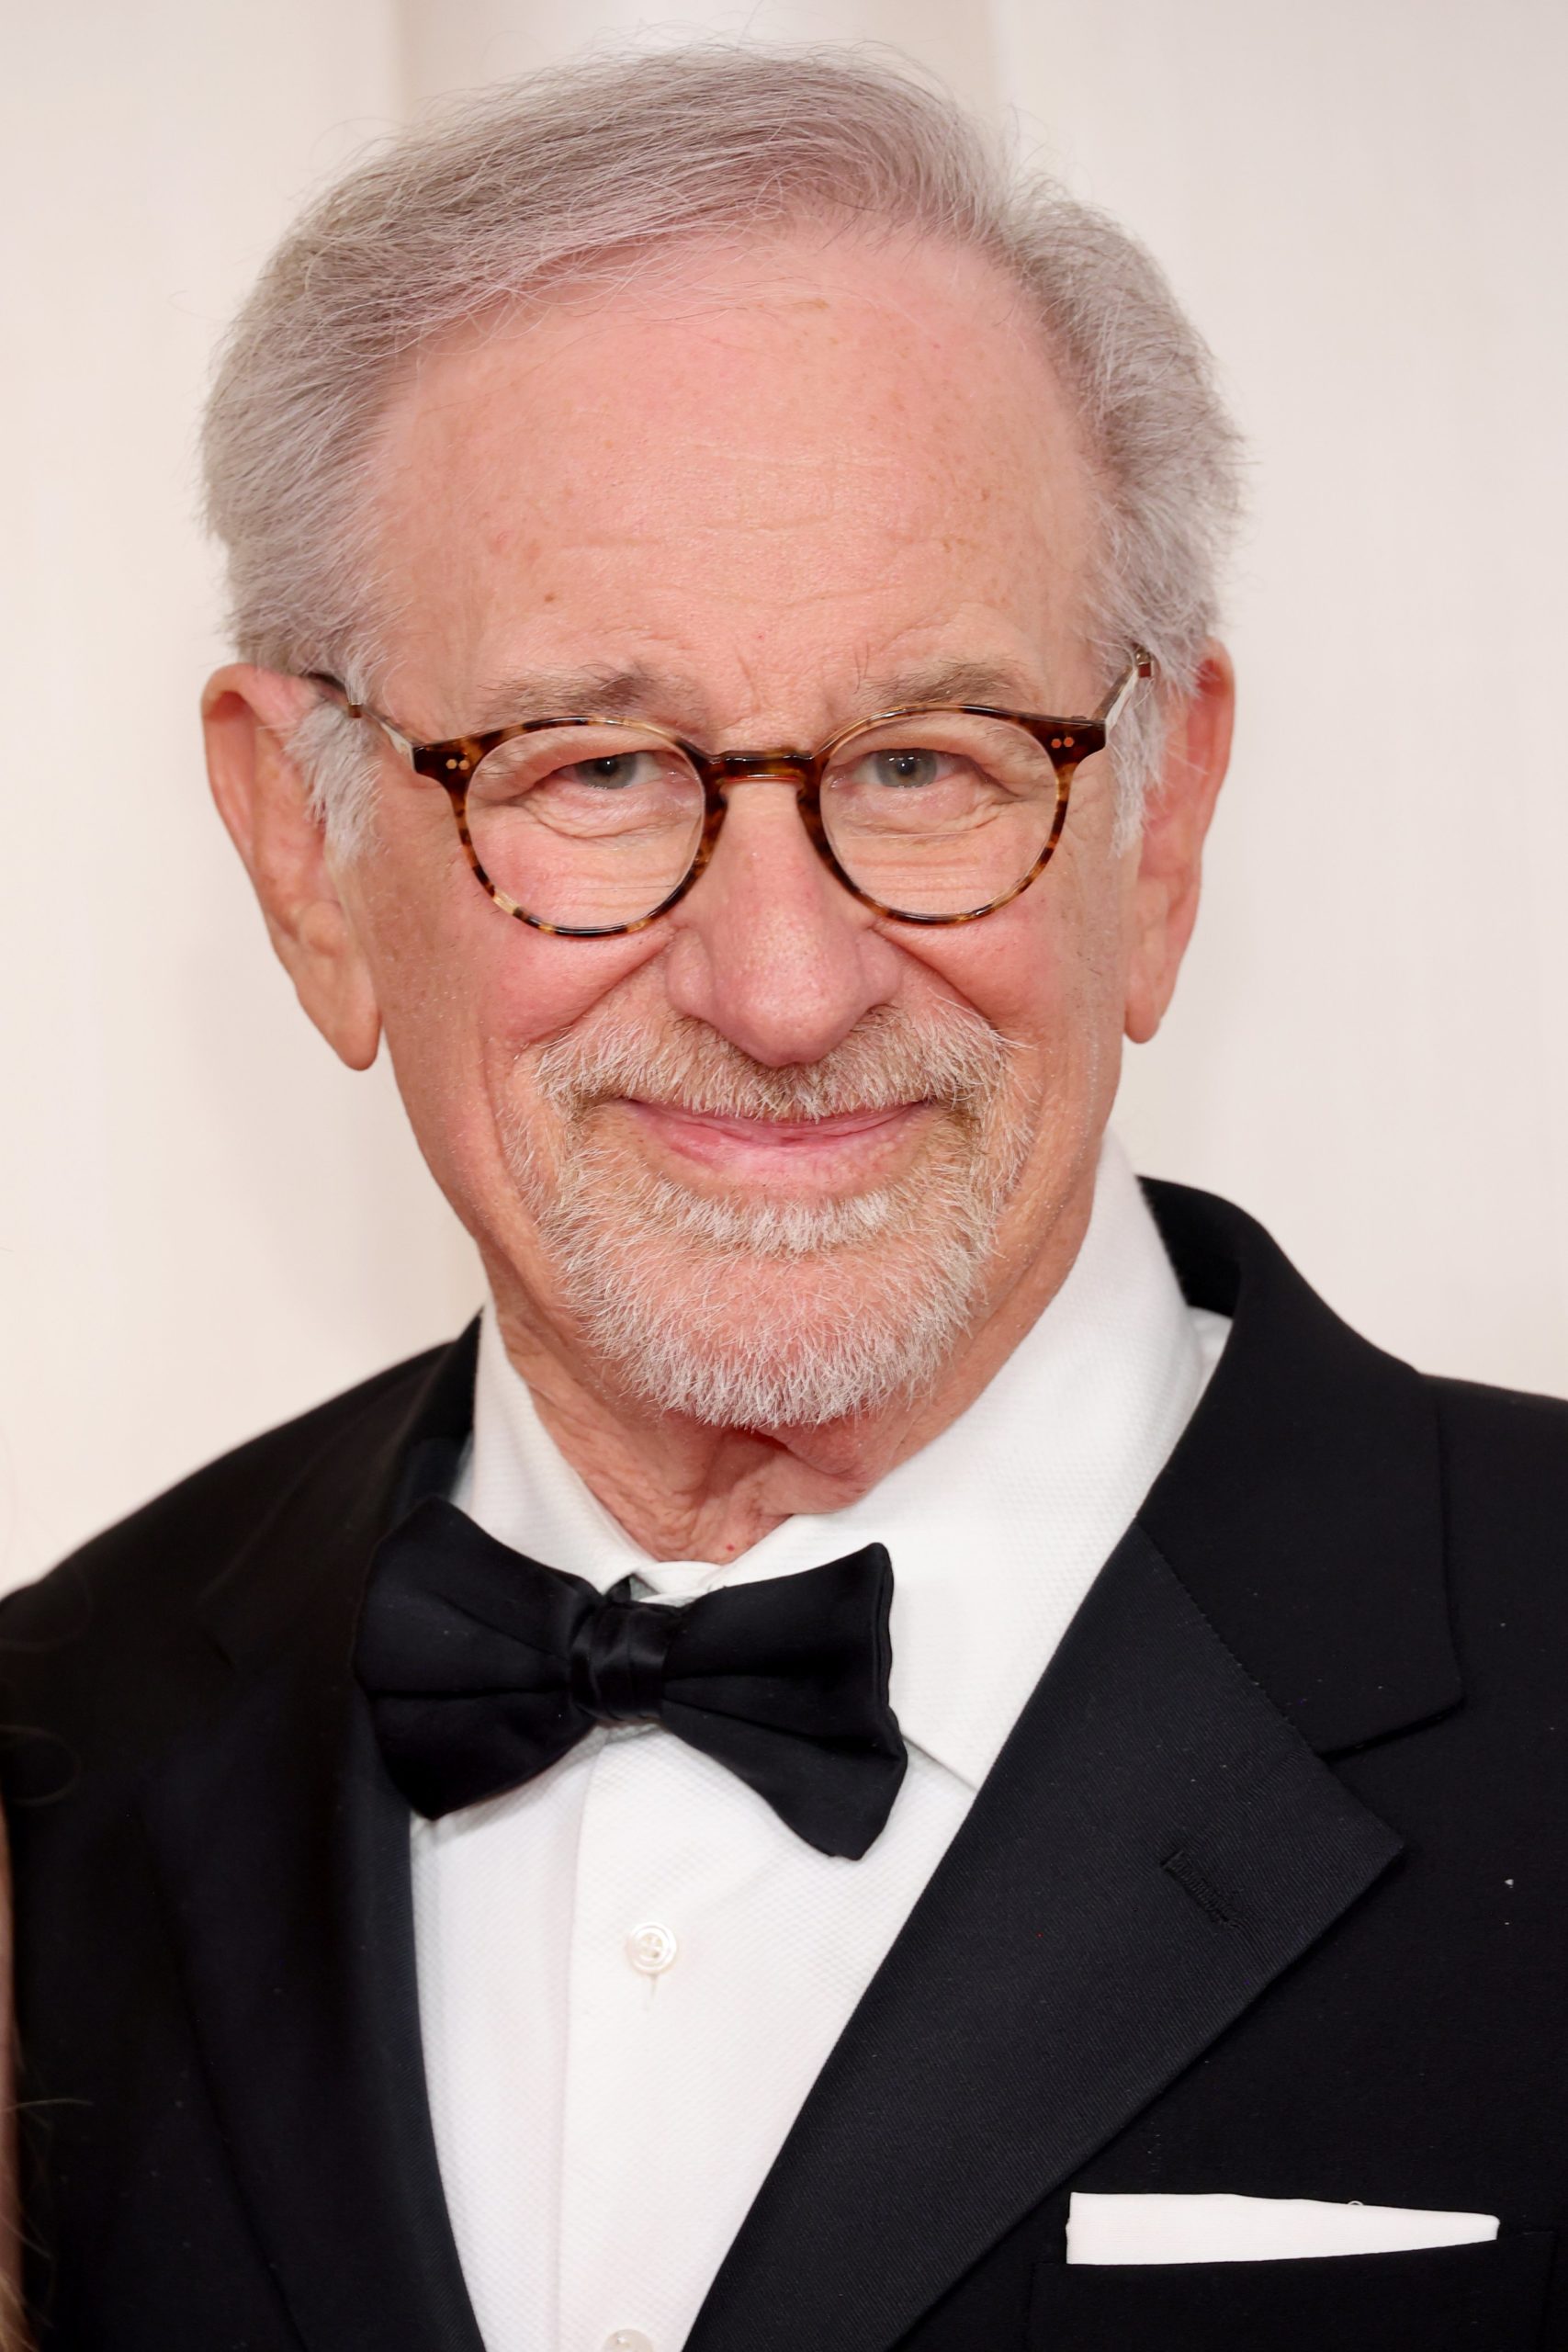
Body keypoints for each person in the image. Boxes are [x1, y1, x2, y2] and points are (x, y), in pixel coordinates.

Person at [2, 41, 1565, 2352]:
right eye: (594, 769)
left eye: (926, 759)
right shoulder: (54, 1757)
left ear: (1157, 824)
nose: (781, 982)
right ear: (306, 860)